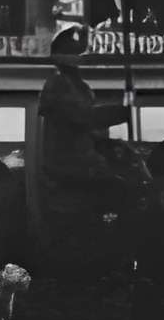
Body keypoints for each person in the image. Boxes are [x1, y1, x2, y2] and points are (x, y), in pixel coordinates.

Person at [28, 25, 142, 252]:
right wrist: (121, 112)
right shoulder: (59, 84)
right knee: (120, 187)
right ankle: (110, 239)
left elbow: (86, 128)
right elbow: (83, 118)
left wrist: (111, 143)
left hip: (83, 157)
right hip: (69, 163)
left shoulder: (78, 86)